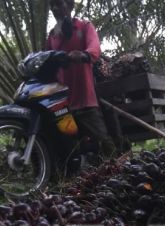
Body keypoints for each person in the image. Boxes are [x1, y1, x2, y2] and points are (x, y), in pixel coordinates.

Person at [46, 0, 115, 157]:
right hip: (63, 103)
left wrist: (84, 54)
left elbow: (95, 48)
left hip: (85, 99)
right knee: (68, 146)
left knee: (103, 140)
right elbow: (46, 58)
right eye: (53, 6)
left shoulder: (85, 27)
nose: (55, 8)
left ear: (70, 6)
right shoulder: (52, 36)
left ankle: (118, 167)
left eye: (59, 4)